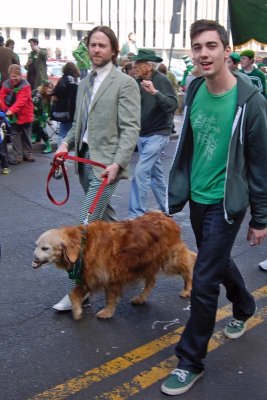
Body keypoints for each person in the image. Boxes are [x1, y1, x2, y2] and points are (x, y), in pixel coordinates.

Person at [161, 19, 267, 396]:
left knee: (204, 280)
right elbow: (189, 143)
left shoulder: (250, 101)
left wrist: (260, 217)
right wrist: (179, 186)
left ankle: (190, 361)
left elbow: (259, 163)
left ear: (226, 50)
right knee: (215, 260)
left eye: (210, 46)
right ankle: (243, 306)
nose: (203, 53)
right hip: (198, 198)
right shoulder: (192, 88)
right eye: (197, 47)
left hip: (227, 203)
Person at [52, 25, 140, 311]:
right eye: (93, 45)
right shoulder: (85, 82)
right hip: (84, 163)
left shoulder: (124, 83)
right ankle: (134, 264)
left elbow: (130, 129)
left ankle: (80, 290)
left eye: (103, 45)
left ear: (114, 50)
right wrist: (65, 144)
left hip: (105, 167)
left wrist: (117, 164)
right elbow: (79, 126)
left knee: (85, 227)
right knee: (111, 224)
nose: (97, 50)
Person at [128, 49, 178, 219]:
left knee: (141, 172)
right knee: (156, 174)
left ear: (148, 66)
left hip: (159, 133)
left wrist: (155, 92)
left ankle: (136, 216)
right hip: (143, 134)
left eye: (138, 64)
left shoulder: (161, 80)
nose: (134, 67)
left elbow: (173, 105)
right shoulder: (136, 82)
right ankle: (167, 208)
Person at [0, 64, 35, 164]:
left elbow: (21, 101)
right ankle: (18, 155)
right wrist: (5, 108)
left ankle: (27, 154)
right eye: (12, 76)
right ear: (9, 76)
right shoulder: (6, 84)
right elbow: (1, 97)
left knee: (26, 135)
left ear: (20, 75)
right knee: (14, 135)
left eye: (16, 76)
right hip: (12, 115)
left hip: (25, 114)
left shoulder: (25, 85)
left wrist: (10, 111)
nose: (14, 78)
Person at [51, 62, 80, 147]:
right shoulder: (76, 80)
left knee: (63, 131)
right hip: (74, 110)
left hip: (64, 110)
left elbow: (57, 91)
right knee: (71, 129)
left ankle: (61, 152)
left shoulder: (64, 79)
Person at [31, 80, 54, 154]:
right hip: (34, 113)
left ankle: (48, 146)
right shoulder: (35, 92)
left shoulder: (49, 96)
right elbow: (29, 100)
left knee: (40, 129)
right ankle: (34, 136)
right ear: (43, 87)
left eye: (50, 88)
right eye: (48, 87)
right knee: (35, 125)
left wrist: (49, 117)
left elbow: (49, 107)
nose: (49, 89)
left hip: (43, 115)